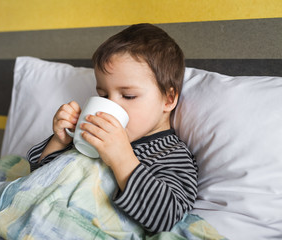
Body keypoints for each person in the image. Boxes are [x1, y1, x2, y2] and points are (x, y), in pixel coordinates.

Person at [27, 23, 198, 234]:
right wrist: (59, 141)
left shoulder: (170, 154)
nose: (112, 105)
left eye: (128, 96)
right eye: (104, 95)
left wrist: (122, 158)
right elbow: (37, 181)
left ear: (169, 99)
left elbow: (166, 217)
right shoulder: (90, 135)